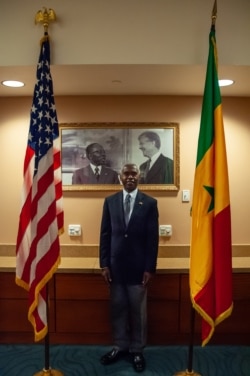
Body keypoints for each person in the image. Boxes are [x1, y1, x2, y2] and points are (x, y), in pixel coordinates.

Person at [99, 163, 159, 373]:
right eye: (127, 173)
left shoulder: (150, 203)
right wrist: (104, 264)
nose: (131, 176)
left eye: (134, 173)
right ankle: (120, 346)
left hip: (138, 269)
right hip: (115, 269)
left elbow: (153, 239)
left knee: (138, 312)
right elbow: (105, 234)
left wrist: (149, 268)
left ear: (139, 177)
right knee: (117, 309)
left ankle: (137, 350)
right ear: (120, 177)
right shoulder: (110, 202)